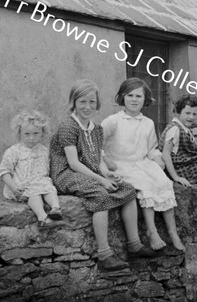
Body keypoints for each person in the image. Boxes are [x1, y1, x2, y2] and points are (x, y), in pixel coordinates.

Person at [49, 79, 156, 272]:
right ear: (73, 103)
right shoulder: (68, 127)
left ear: (97, 104)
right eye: (82, 102)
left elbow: (98, 160)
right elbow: (73, 163)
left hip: (90, 172)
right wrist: (101, 180)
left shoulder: (96, 129)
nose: (87, 106)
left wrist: (107, 174)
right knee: (101, 195)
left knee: (128, 190)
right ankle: (104, 254)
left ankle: (134, 244)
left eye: (91, 102)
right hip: (67, 174)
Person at [102, 78, 185, 251]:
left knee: (164, 183)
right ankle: (152, 231)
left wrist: (158, 158)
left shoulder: (148, 123)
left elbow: (151, 148)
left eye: (138, 96)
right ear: (122, 98)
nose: (134, 99)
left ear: (145, 98)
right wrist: (106, 159)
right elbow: (96, 144)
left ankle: (173, 232)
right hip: (121, 165)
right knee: (146, 186)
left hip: (142, 163)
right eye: (130, 95)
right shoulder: (113, 121)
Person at [0, 110, 62, 228]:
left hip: (40, 182)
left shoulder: (44, 150)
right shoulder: (14, 151)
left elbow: (47, 171)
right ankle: (42, 216)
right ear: (20, 133)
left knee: (49, 187)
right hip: (21, 186)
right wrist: (13, 187)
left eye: (36, 133)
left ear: (42, 133)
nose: (31, 138)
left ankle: (55, 208)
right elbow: (4, 172)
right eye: (27, 134)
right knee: (34, 192)